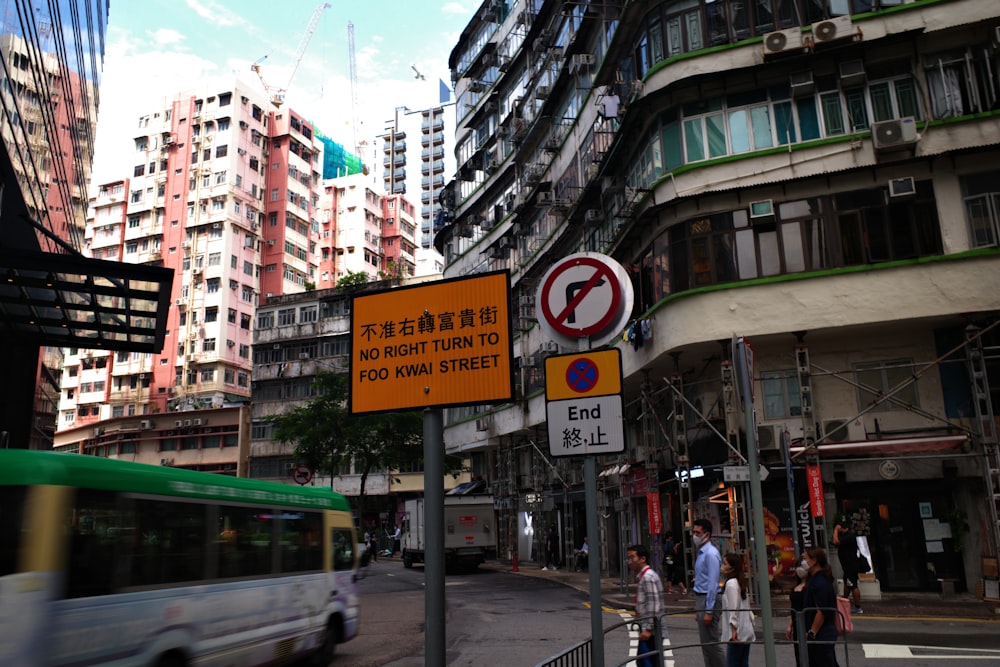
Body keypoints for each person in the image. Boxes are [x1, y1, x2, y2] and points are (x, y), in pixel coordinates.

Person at [692, 518, 726, 667]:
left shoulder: (710, 554)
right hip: (701, 598)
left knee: (712, 644)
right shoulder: (701, 553)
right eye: (694, 532)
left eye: (697, 533)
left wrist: (708, 610)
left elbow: (712, 584)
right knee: (706, 645)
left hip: (708, 599)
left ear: (707, 534)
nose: (694, 535)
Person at [627, 543, 664, 667]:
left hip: (651, 632)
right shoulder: (644, 576)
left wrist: (648, 628)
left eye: (632, 557)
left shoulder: (647, 577)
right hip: (647, 629)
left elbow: (653, 604)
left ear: (643, 559)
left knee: (649, 662)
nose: (630, 561)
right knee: (645, 661)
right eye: (628, 558)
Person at [803, 547, 839, 667]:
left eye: (805, 559)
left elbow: (821, 611)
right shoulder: (818, 579)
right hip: (824, 633)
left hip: (821, 633)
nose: (804, 562)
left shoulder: (819, 582)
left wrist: (812, 632)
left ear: (814, 561)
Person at [720, 553, 755, 667]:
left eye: (725, 563)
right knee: (743, 663)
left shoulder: (731, 584)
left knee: (733, 663)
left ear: (732, 567)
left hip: (737, 632)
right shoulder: (740, 582)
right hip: (746, 629)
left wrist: (733, 629)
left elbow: (733, 608)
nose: (723, 566)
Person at [833, 517, 862, 614]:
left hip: (850, 565)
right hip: (847, 566)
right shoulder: (846, 536)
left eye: (840, 528)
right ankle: (844, 602)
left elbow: (835, 541)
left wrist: (836, 530)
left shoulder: (849, 536)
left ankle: (858, 607)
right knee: (847, 584)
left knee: (853, 585)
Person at [785, 560, 809, 667]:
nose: (800, 569)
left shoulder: (810, 587)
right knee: (798, 653)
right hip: (796, 624)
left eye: (802, 566)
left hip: (807, 624)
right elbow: (793, 607)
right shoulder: (797, 586)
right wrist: (790, 625)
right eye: (798, 566)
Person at [662, 531, 687, 596]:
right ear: (670, 537)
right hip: (672, 560)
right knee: (677, 574)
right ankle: (683, 588)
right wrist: (677, 546)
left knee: (669, 574)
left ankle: (670, 588)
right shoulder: (672, 543)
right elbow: (675, 551)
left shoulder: (664, 543)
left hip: (667, 560)